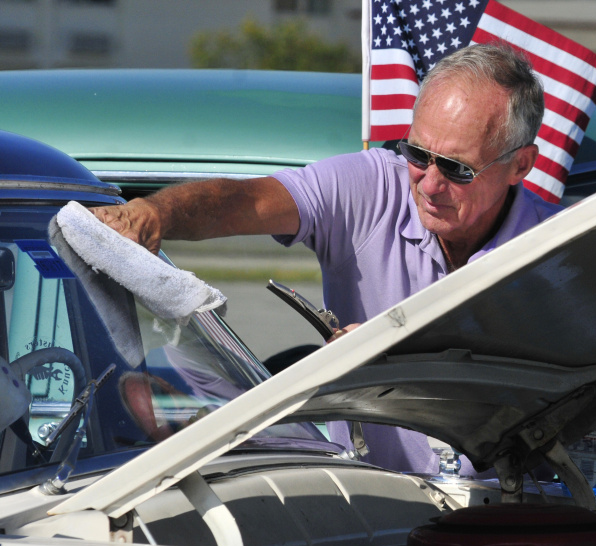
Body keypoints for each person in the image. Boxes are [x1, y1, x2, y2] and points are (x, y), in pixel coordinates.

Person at [90, 42, 561, 473]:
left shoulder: (561, 249)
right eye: (417, 153)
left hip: (507, 520)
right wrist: (154, 213)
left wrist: (399, 362)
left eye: (458, 169)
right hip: (370, 508)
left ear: (521, 165)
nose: (429, 183)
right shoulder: (374, 186)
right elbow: (247, 201)